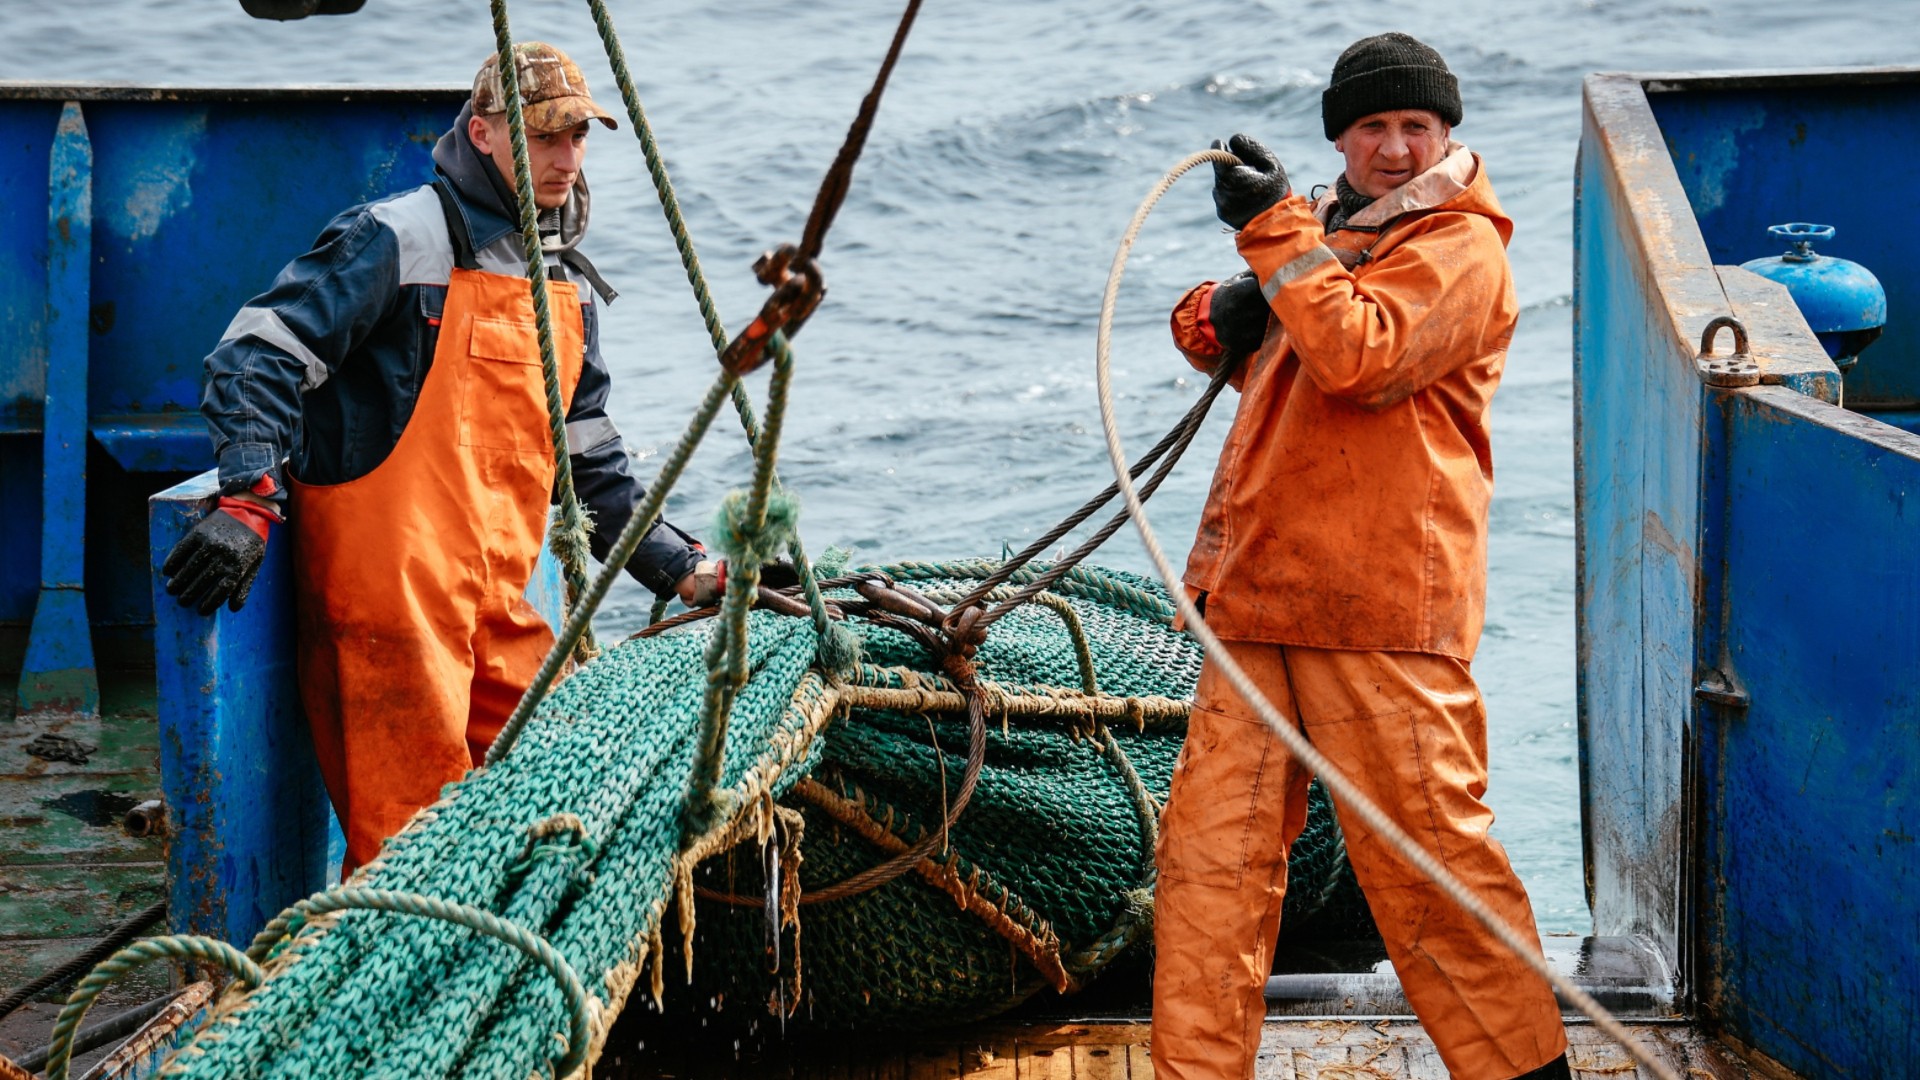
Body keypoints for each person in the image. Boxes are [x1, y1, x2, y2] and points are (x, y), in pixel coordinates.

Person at [160, 43, 736, 872]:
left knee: (556, 809)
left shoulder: (561, 284)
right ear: (484, 134)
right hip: (392, 618)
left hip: (500, 608)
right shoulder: (395, 239)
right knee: (411, 854)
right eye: (544, 136)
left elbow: (590, 465)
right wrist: (250, 500)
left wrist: (684, 569)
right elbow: (255, 358)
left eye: (577, 136)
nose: (565, 159)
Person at [1152, 33, 1571, 1080]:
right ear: (1339, 136)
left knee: (1433, 874)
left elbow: (1358, 354)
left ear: (1446, 133)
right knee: (1210, 877)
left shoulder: (1461, 250)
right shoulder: (1337, 235)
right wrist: (1219, 306)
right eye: (1374, 126)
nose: (1394, 147)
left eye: (1414, 127)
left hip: (1379, 608)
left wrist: (1272, 236)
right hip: (1255, 599)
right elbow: (1226, 338)